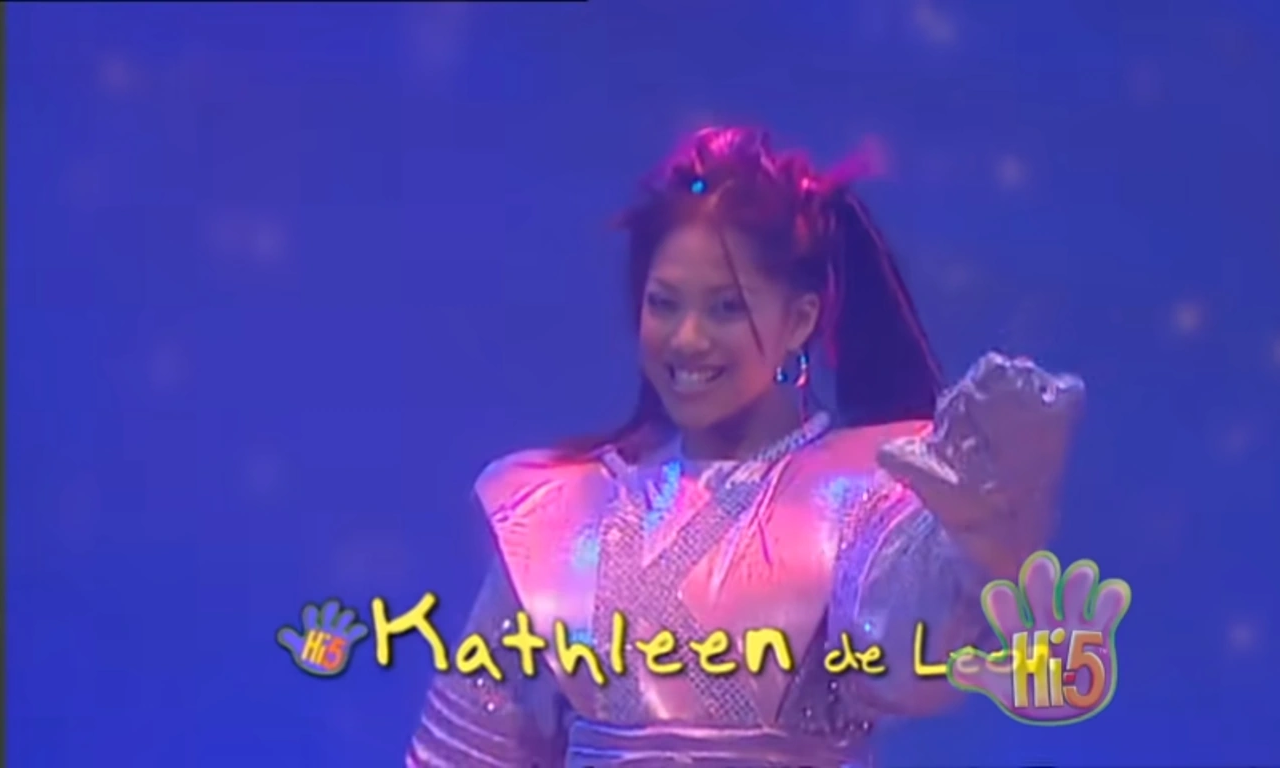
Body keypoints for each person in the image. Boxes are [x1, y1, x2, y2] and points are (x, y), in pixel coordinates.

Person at [405, 127, 1085, 767]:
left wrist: (983, 550)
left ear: (800, 319)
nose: (688, 338)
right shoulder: (555, 519)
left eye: (726, 307)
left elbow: (911, 659)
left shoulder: (867, 497)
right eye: (664, 303)